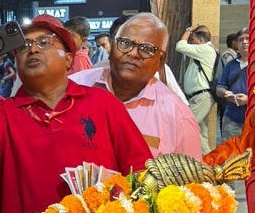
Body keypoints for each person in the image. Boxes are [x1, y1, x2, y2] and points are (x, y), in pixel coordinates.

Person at [0, 13, 152, 213]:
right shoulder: (3, 113)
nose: (33, 50)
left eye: (44, 42)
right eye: (24, 46)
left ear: (68, 59)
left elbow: (139, 171)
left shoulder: (103, 103)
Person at [70, 14, 201, 159]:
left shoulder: (178, 118)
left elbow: (191, 179)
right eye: (125, 43)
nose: (132, 54)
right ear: (112, 47)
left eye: (146, 48)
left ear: (161, 59)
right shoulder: (72, 88)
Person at [175, 24, 218, 155]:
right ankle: (206, 160)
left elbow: (180, 46)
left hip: (202, 97)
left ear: (200, 40)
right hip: (199, 97)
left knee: (187, 126)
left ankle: (212, 159)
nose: (191, 44)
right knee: (200, 132)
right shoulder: (200, 54)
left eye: (192, 40)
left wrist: (188, 30)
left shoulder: (205, 49)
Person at [216, 29, 249, 139]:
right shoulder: (231, 65)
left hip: (252, 121)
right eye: (241, 40)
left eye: (247, 39)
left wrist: (249, 99)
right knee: (231, 154)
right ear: (237, 44)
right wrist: (226, 93)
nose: (244, 42)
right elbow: (220, 87)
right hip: (231, 120)